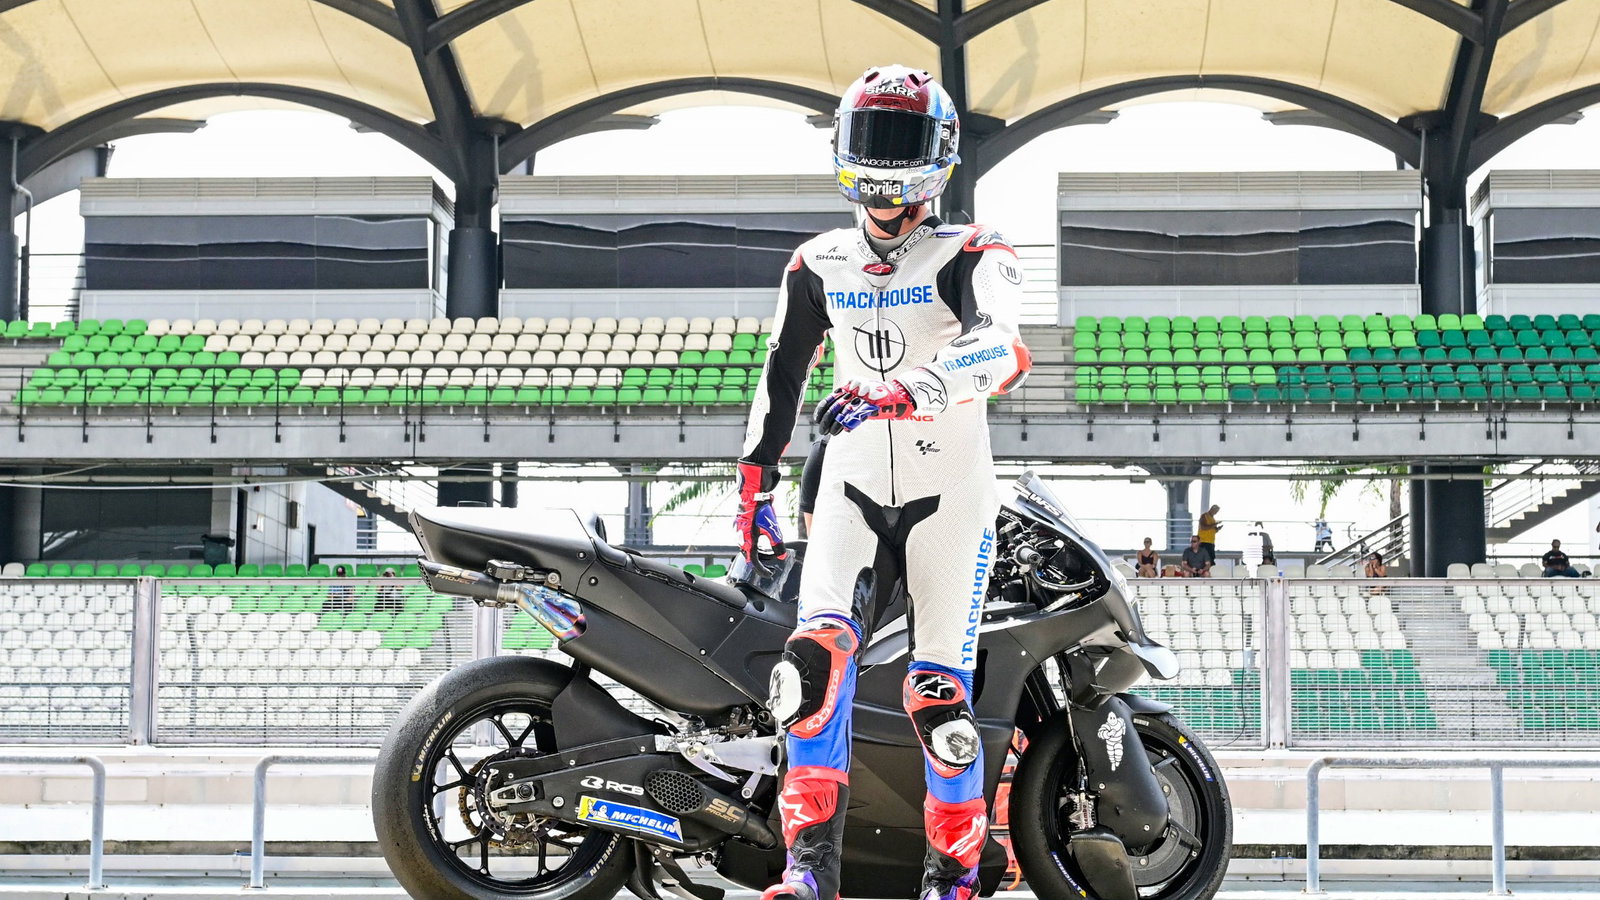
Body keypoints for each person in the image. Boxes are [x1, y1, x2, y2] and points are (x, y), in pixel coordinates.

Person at [733, 64, 1030, 900]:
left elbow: (1005, 348)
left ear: (941, 155)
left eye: (902, 143)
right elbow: (780, 377)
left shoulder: (975, 250)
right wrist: (753, 487)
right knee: (810, 672)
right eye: (872, 139)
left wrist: (911, 390)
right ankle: (806, 877)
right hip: (852, 490)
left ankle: (955, 880)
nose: (885, 166)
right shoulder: (815, 261)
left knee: (939, 698)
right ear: (842, 147)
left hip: (953, 495)